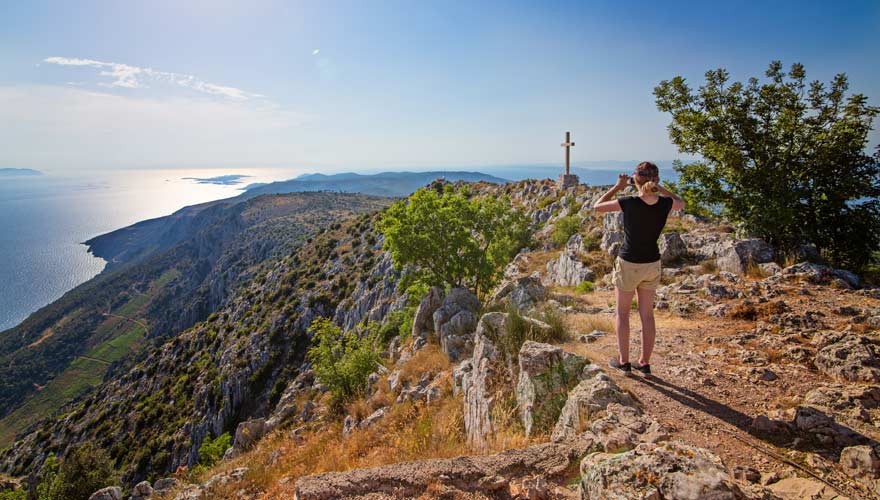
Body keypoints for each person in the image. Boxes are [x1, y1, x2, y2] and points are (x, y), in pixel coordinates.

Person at [593, 161, 685, 376]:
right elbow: (681, 203)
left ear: (635, 180)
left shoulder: (629, 202)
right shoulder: (665, 203)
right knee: (647, 316)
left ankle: (624, 362)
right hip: (651, 263)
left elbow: (597, 206)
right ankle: (644, 363)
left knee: (622, 314)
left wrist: (617, 187)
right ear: (656, 179)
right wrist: (659, 187)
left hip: (628, 262)